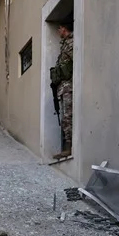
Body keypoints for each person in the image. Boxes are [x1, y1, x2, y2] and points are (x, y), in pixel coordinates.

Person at [50, 22, 73, 159]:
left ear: (64, 28)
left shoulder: (70, 43)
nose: (58, 32)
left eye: (59, 29)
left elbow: (74, 62)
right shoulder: (64, 44)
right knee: (65, 116)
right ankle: (67, 145)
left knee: (67, 116)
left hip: (68, 86)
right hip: (63, 86)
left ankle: (68, 146)